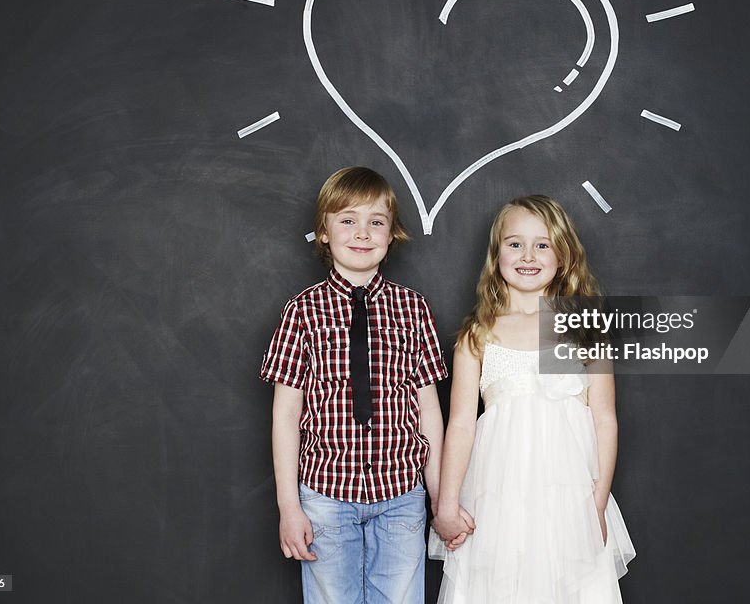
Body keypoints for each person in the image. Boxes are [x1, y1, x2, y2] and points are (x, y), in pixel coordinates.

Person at [431, 196, 636, 603]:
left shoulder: (586, 329)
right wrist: (448, 504)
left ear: (563, 254)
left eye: (542, 244)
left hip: (568, 497)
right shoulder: (478, 335)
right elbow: (460, 423)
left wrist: (596, 502)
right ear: (496, 253)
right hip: (499, 496)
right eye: (515, 243)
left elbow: (605, 419)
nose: (528, 255)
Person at [260, 166, 450, 604]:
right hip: (326, 494)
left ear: (391, 234)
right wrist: (289, 507)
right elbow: (286, 415)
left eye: (376, 222)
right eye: (348, 220)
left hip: (402, 493)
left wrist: (438, 495)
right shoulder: (302, 312)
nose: (362, 233)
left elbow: (428, 409)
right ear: (324, 232)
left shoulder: (413, 308)